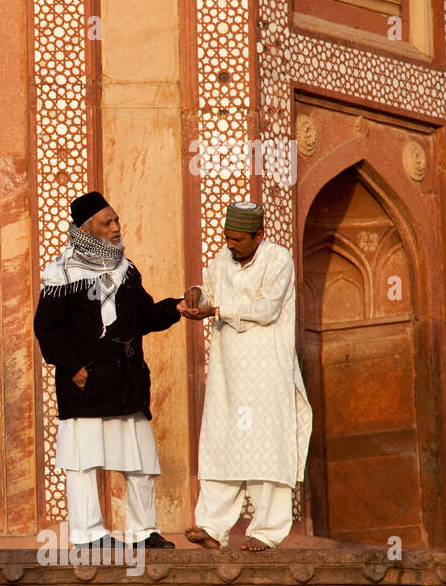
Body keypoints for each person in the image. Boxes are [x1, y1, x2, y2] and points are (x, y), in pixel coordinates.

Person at [33, 191, 191, 550]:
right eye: (108, 223)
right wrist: (73, 368)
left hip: (126, 380)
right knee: (84, 462)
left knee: (139, 461)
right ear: (86, 230)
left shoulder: (126, 269)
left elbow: (144, 316)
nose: (117, 227)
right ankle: (89, 535)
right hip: (86, 383)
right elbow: (47, 329)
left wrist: (176, 307)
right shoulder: (62, 273)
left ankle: (143, 531)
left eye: (116, 220)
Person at [180, 201, 312, 551]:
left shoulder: (277, 259)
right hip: (227, 370)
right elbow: (209, 290)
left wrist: (218, 309)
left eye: (238, 239)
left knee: (267, 446)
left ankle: (266, 531)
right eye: (227, 237)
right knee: (222, 442)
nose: (230, 245)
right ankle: (212, 526)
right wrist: (197, 295)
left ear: (259, 235)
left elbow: (268, 309)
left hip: (268, 369)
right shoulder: (223, 259)